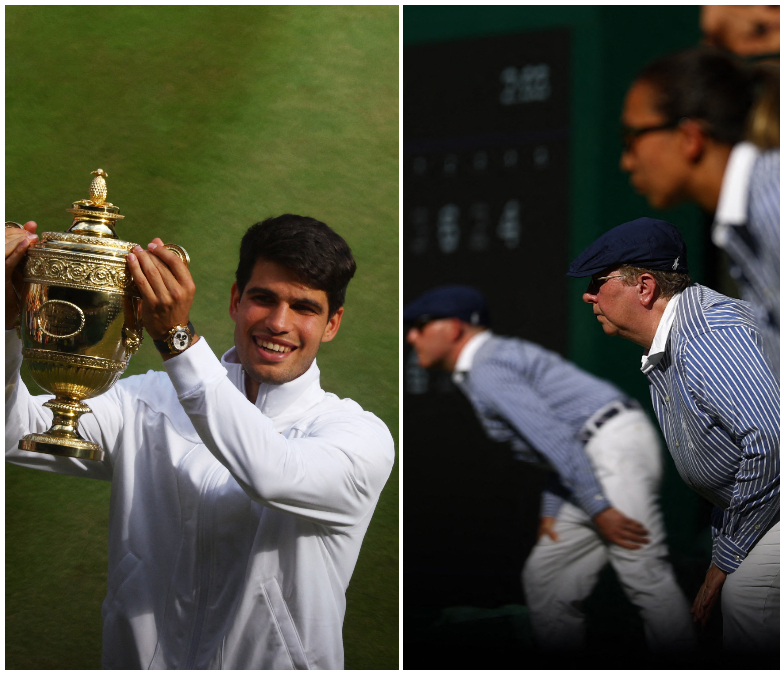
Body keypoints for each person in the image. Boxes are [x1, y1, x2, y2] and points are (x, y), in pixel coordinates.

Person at [4, 215, 394, 669]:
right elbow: (14, 433)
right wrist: (7, 321)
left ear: (332, 324)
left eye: (304, 308)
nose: (278, 323)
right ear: (235, 300)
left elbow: (271, 474)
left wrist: (177, 340)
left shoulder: (361, 437)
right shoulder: (147, 401)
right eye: (263, 299)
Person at [403, 285, 695, 655]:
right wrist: (554, 507)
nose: (412, 336)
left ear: (455, 328)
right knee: (548, 577)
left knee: (643, 573)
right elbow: (558, 437)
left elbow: (557, 437)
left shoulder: (486, 367)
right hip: (598, 453)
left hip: (610, 449)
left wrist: (598, 507)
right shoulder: (489, 361)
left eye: (422, 325)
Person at [568, 217, 780, 659]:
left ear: (645, 287)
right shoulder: (680, 335)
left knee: (753, 596)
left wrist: (726, 558)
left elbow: (775, 440)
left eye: (598, 282)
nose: (588, 295)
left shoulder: (707, 335)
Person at [619, 46, 780, 412]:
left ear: (690, 137)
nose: (626, 161)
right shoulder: (753, 209)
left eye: (632, 137)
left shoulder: (777, 200)